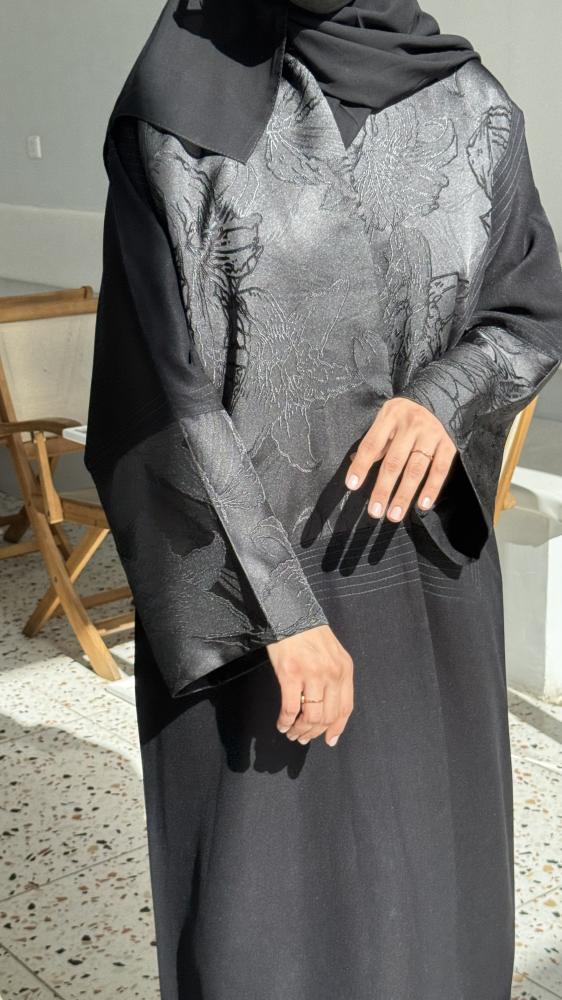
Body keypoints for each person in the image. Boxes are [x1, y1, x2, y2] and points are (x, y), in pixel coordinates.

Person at [84, 0, 562, 996]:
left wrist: (446, 396)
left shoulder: (469, 102)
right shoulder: (179, 115)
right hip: (251, 595)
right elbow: (155, 395)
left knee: (432, 895)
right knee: (265, 920)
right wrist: (279, 615)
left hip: (426, 583)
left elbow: (530, 306)